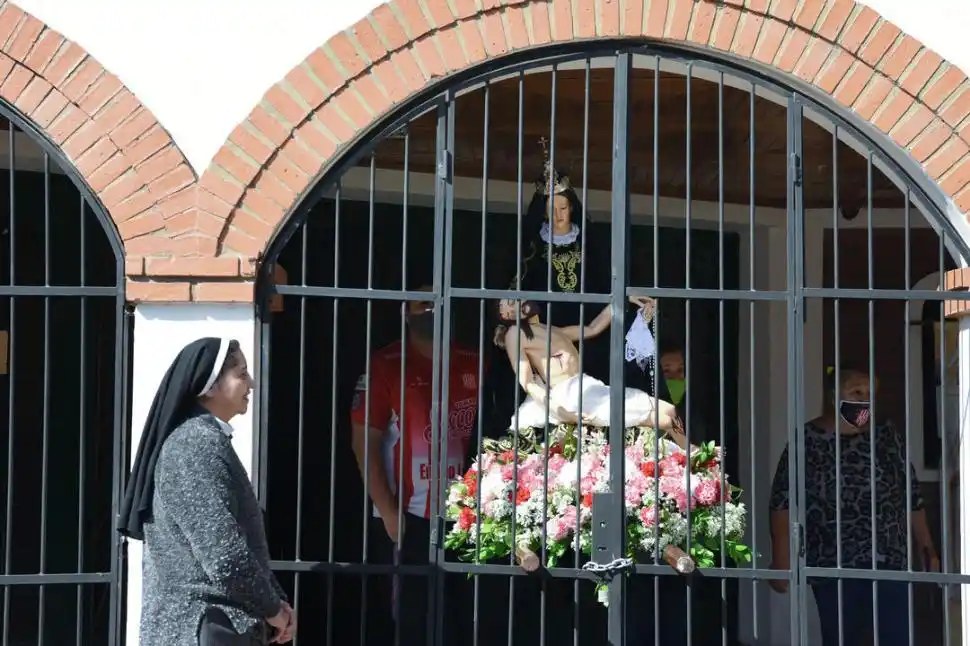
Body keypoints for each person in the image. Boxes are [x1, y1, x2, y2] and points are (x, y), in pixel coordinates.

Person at [117, 338, 294, 646]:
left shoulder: (205, 440)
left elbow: (240, 546)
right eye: (241, 374)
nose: (250, 383)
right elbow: (223, 554)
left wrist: (277, 601)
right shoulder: (194, 445)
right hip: (199, 627)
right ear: (209, 386)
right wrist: (273, 609)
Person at [768, 365, 939, 646]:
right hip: (833, 561)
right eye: (856, 391)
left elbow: (911, 494)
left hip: (889, 559)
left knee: (896, 636)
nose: (864, 399)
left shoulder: (885, 436)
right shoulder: (807, 440)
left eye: (870, 393)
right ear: (834, 394)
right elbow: (782, 502)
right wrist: (781, 558)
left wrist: (927, 548)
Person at [350, 286, 480, 646]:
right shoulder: (384, 365)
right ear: (406, 312)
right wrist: (389, 512)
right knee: (411, 621)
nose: (432, 310)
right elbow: (364, 443)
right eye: (423, 304)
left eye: (439, 303)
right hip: (407, 518)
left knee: (465, 618)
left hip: (468, 518)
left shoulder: (475, 361)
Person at [495, 298, 683, 438]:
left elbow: (592, 328)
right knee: (665, 418)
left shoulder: (548, 329)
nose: (514, 301)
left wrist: (623, 298)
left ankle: (692, 456)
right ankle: (692, 458)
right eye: (507, 303)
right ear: (504, 315)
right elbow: (527, 382)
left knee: (669, 410)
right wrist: (557, 409)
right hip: (568, 394)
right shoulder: (514, 333)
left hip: (586, 387)